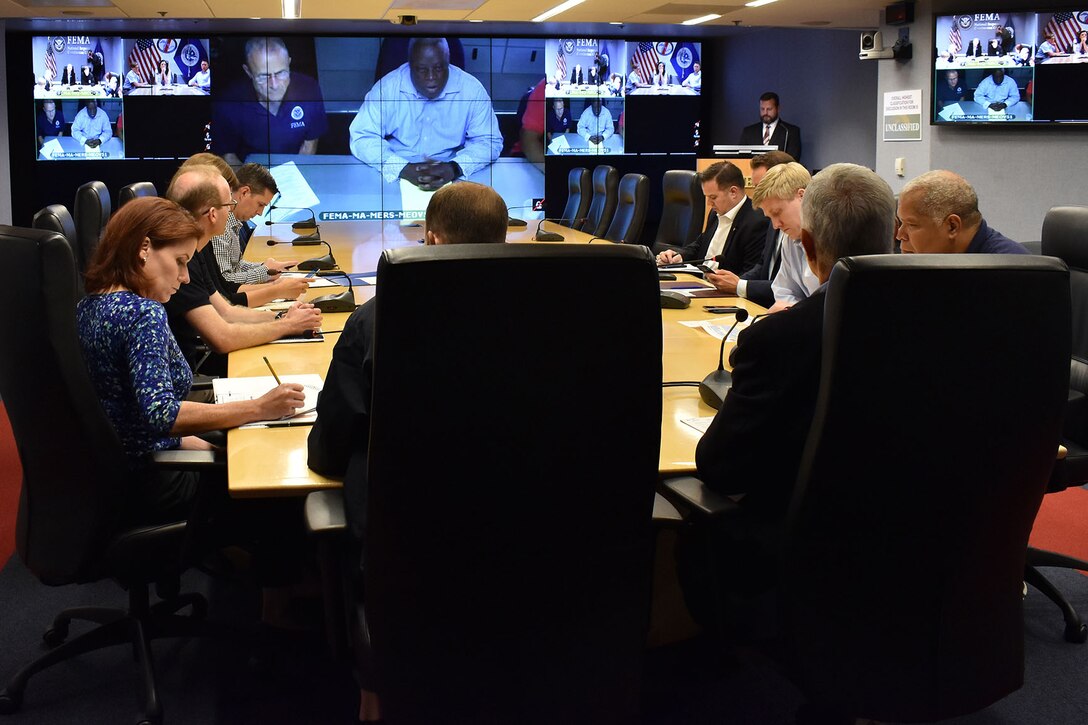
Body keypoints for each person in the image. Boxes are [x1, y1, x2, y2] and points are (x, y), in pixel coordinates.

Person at [692, 164, 895, 592]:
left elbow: (719, 467)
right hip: (912, 549)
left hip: (798, 554)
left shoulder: (776, 341)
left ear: (805, 243)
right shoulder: (946, 324)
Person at [76, 197, 306, 525]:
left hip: (123, 474)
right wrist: (259, 409)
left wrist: (220, 448)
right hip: (159, 482)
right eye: (180, 261)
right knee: (280, 470)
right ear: (144, 248)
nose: (185, 277)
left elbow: (136, 418)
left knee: (244, 448)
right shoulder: (143, 315)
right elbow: (162, 415)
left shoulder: (90, 305)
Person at [163, 164, 322, 377]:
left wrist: (282, 318)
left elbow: (227, 311)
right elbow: (222, 337)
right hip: (198, 368)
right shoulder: (182, 261)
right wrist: (286, 324)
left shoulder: (195, 252)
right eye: (229, 203)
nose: (231, 209)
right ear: (212, 214)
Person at [349, 38, 502, 191]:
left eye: (438, 68)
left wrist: (455, 168)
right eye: (422, 69)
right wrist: (401, 168)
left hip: (454, 176)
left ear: (448, 62)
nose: (431, 77)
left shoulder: (472, 90)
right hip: (395, 174)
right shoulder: (387, 88)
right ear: (410, 65)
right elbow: (362, 137)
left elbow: (489, 141)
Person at [700, 151, 795, 307]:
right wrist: (735, 282)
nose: (757, 195)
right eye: (757, 187)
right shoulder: (773, 222)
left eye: (762, 187)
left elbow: (790, 289)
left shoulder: (800, 228)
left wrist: (739, 285)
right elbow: (762, 266)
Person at [208, 162, 311, 305]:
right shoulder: (221, 225)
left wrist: (267, 267)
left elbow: (235, 265)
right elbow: (226, 280)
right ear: (244, 192)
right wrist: (265, 272)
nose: (260, 213)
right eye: (260, 204)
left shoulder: (234, 221)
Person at [215, 36, 327, 165]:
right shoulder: (228, 102)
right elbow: (228, 155)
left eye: (281, 73)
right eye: (264, 76)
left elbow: (309, 144)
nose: (274, 85)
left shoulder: (309, 89)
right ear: (248, 72)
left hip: (294, 171)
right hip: (250, 172)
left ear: (289, 64)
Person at [655, 161, 768, 275]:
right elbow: (700, 245)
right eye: (707, 197)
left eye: (713, 197)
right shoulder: (715, 213)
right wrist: (678, 257)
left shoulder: (756, 222)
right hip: (701, 281)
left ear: (733, 192)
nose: (709, 203)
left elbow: (750, 274)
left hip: (725, 290)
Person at [896, 170, 1029, 255]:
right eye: (901, 223)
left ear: (952, 226)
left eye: (912, 225)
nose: (900, 235)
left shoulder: (1010, 273)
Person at [754, 162, 821, 310]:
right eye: (770, 217)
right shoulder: (790, 239)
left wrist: (795, 312)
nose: (775, 225)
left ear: (802, 196)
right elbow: (783, 291)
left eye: (777, 213)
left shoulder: (835, 237)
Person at [738, 91, 802, 162]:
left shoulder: (790, 131)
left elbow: (793, 160)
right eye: (762, 109)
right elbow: (740, 158)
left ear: (778, 108)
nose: (765, 113)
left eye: (769, 109)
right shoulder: (749, 132)